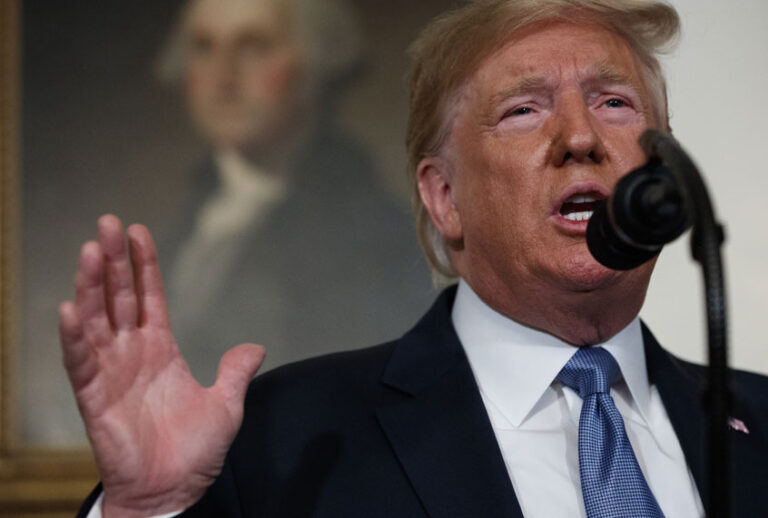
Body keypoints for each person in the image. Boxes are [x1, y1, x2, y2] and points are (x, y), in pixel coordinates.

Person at [60, 0, 768, 516]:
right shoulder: (287, 438)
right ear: (443, 197)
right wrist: (143, 512)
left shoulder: (759, 422)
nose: (579, 136)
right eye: (524, 109)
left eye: (614, 102)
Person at [155, 0, 433, 381]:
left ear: (313, 63)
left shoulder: (372, 233)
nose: (223, 77)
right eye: (203, 47)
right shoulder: (191, 212)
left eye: (253, 48)